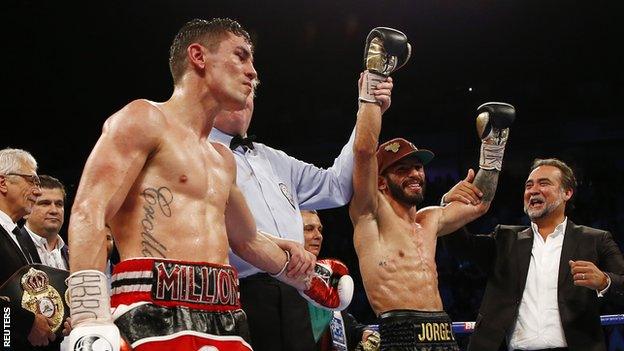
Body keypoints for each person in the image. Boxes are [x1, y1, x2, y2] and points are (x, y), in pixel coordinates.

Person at [66, 18, 348, 351]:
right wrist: (89, 316)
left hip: (225, 313)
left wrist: (305, 276)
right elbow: (90, 210)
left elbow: (247, 240)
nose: (252, 72)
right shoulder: (144, 119)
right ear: (199, 57)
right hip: (152, 306)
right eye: (240, 56)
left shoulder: (221, 158)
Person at [208, 39, 393, 351]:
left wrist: (367, 108)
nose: (245, 98)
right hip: (234, 294)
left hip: (295, 293)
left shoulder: (274, 159)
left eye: (251, 92)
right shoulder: (195, 153)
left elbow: (337, 186)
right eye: (239, 90)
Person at [350, 47, 515, 350]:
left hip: (442, 332)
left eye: (418, 167)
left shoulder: (429, 219)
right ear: (382, 183)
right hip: (399, 334)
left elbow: (481, 202)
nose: (415, 174)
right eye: (402, 169)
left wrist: (493, 147)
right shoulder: (370, 214)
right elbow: (363, 152)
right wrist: (373, 87)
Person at [443, 158, 624, 351]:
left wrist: (605, 281)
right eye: (529, 185)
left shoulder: (595, 240)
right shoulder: (504, 238)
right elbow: (459, 246)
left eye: (543, 183)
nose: (533, 190)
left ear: (567, 193)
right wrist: (449, 204)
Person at [0, 148, 58, 349]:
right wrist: (26, 324)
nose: (38, 190)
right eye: (31, 180)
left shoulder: (22, 239)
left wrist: (56, 323)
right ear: (3, 183)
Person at [301, 210, 379, 351]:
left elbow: (343, 324)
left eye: (320, 230)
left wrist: (363, 333)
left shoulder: (329, 275)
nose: (318, 236)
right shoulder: (275, 278)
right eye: (309, 229)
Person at [22, 174, 69, 270]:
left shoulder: (73, 255)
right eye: (45, 203)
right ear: (26, 210)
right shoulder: (12, 248)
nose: (54, 210)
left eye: (59, 204)